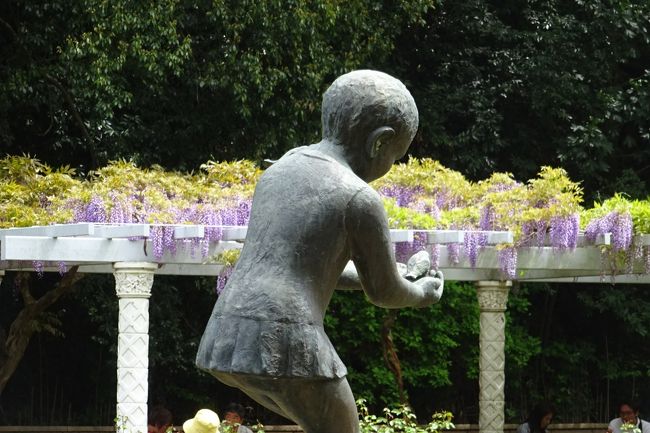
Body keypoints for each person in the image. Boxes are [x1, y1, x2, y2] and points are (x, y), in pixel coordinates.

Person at [196, 70, 444, 433]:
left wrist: (383, 273)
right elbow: (385, 292)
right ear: (380, 142)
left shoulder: (280, 170)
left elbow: (300, 267)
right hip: (285, 335)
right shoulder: (359, 198)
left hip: (227, 333)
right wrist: (422, 292)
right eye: (396, 154)